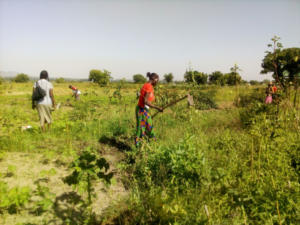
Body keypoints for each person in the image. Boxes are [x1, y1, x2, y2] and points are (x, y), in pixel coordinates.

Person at [135, 72, 163, 147]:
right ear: (154, 79)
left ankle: (142, 145)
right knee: (149, 127)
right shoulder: (149, 86)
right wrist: (157, 107)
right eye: (157, 81)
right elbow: (145, 101)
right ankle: (152, 145)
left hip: (142, 109)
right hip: (142, 110)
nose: (157, 82)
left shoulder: (146, 85)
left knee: (143, 127)